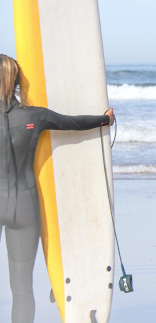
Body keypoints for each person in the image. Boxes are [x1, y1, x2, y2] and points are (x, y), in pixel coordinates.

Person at [0, 54, 114, 323]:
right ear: (16, 81)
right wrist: (104, 120)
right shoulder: (34, 116)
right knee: (22, 289)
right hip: (24, 206)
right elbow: (72, 123)